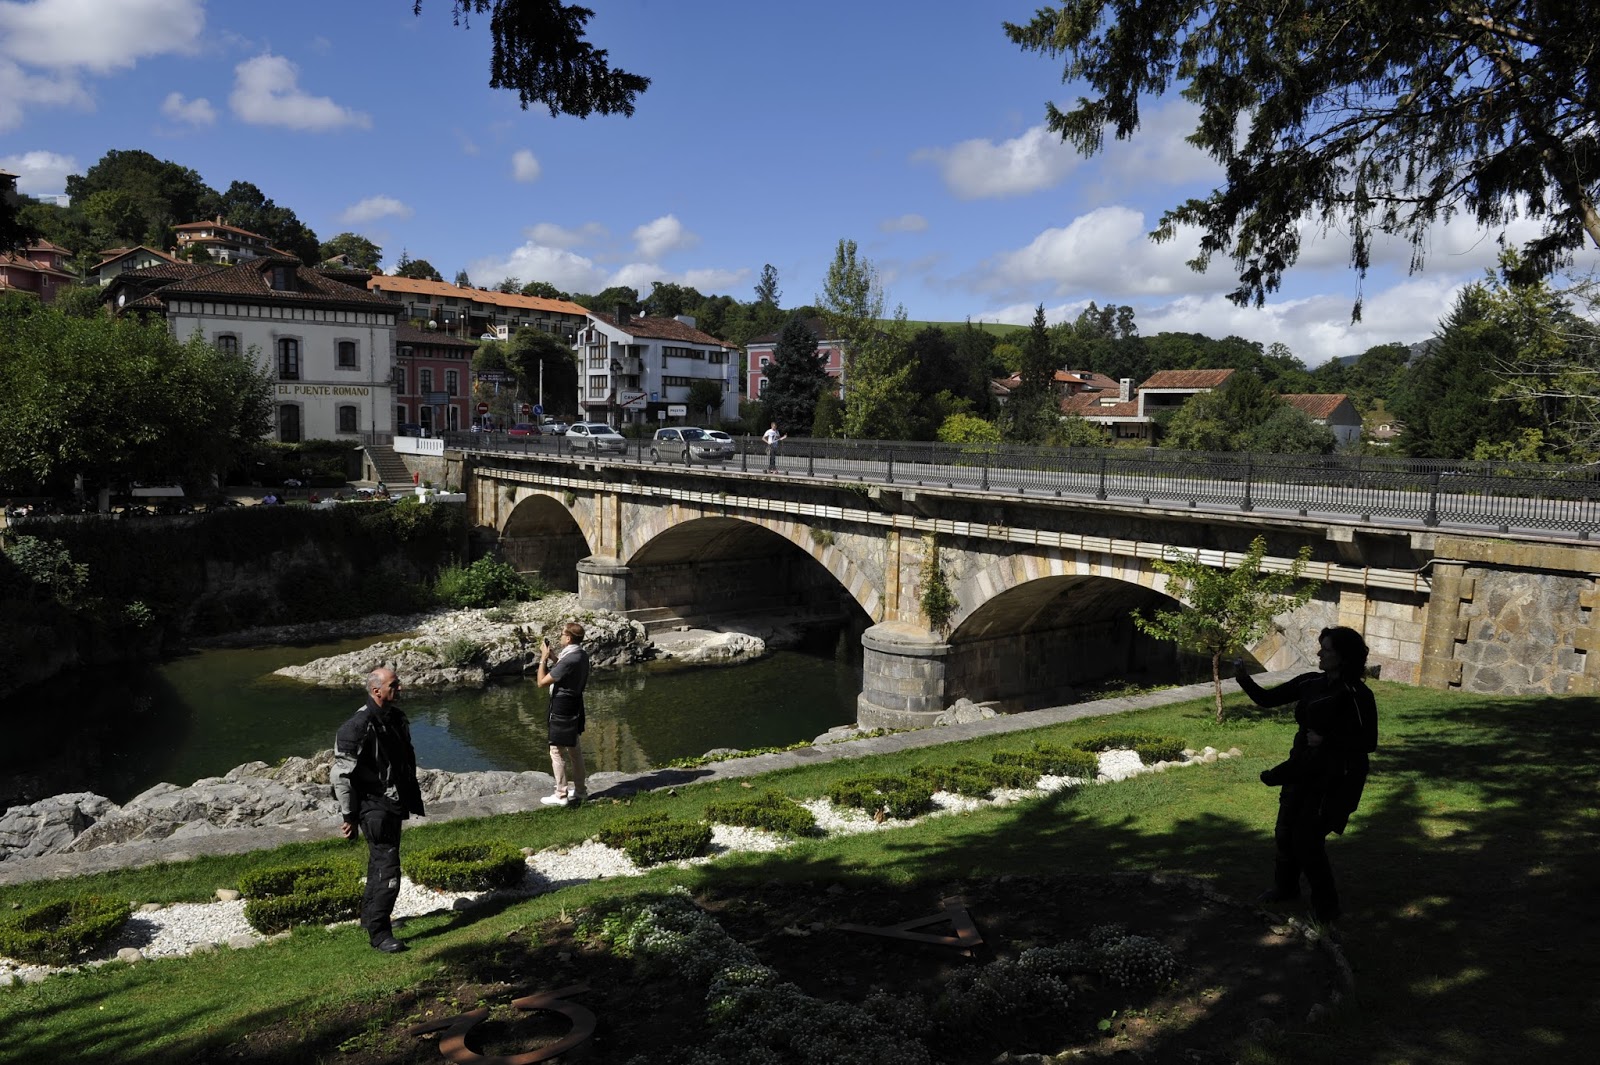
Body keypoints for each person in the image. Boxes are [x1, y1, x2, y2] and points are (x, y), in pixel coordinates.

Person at [1235, 626, 1378, 927]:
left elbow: (1368, 742)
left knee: (1307, 839)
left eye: (1326, 650)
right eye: (1321, 648)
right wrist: (1242, 677)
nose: (1319, 654)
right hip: (1301, 767)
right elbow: (1266, 699)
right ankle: (1285, 888)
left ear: (1344, 657)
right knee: (1285, 830)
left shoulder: (1358, 695)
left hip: (1335, 778)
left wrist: (1328, 740)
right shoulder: (1310, 682)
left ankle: (1327, 908)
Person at [332, 666, 425, 953]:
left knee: (378, 862)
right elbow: (340, 776)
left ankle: (370, 918)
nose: (401, 689)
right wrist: (348, 816)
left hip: (392, 802)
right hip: (373, 807)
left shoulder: (396, 718)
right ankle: (380, 934)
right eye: (395, 685)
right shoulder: (357, 726)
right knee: (388, 867)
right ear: (377, 691)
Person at [536, 621, 591, 806]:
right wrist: (553, 657)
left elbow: (542, 682)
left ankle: (561, 794)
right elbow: (565, 667)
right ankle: (581, 791)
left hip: (562, 707)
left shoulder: (569, 659)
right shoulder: (581, 655)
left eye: (561, 634)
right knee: (574, 749)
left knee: (556, 750)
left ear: (568, 638)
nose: (559, 637)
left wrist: (543, 658)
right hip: (575, 704)